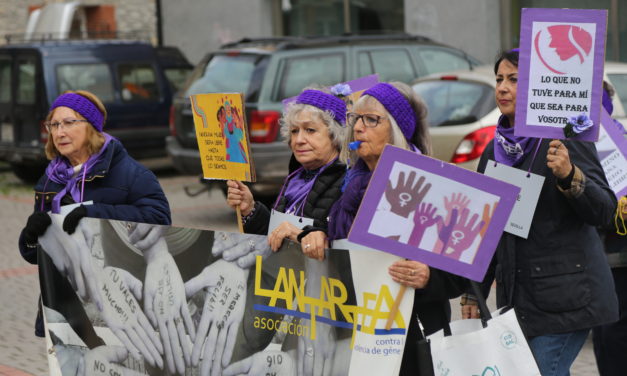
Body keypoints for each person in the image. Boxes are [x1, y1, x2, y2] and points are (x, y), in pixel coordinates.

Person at [461, 50, 618, 376]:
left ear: (537, 86)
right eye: (499, 79)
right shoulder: (494, 149)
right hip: (519, 298)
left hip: (569, 295)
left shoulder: (563, 137)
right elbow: (486, 226)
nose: (502, 88)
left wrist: (569, 175)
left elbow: (604, 210)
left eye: (514, 79)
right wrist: (472, 292)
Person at [300, 81, 468, 375]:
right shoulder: (349, 182)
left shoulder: (428, 182)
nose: (358, 128)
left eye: (371, 120)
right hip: (360, 325)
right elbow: (334, 237)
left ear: (395, 130)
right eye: (355, 119)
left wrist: (428, 276)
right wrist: (316, 234)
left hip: (412, 332)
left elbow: (462, 269)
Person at [18, 90, 171, 338]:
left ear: (91, 127)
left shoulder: (129, 173)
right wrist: (31, 235)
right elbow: (37, 256)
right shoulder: (50, 179)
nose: (59, 132)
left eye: (69, 123)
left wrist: (92, 213)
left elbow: (159, 218)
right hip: (65, 307)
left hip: (118, 303)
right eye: (54, 124)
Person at [226, 86, 348, 249]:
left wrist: (299, 235)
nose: (298, 140)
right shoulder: (296, 177)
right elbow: (275, 238)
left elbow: (344, 251)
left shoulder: (348, 182)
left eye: (310, 130)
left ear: (335, 136)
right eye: (294, 131)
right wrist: (251, 209)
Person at [592, 81, 627, 376]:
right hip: (595, 260)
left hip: (616, 258)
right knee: (606, 334)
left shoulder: (617, 144)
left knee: (613, 333)